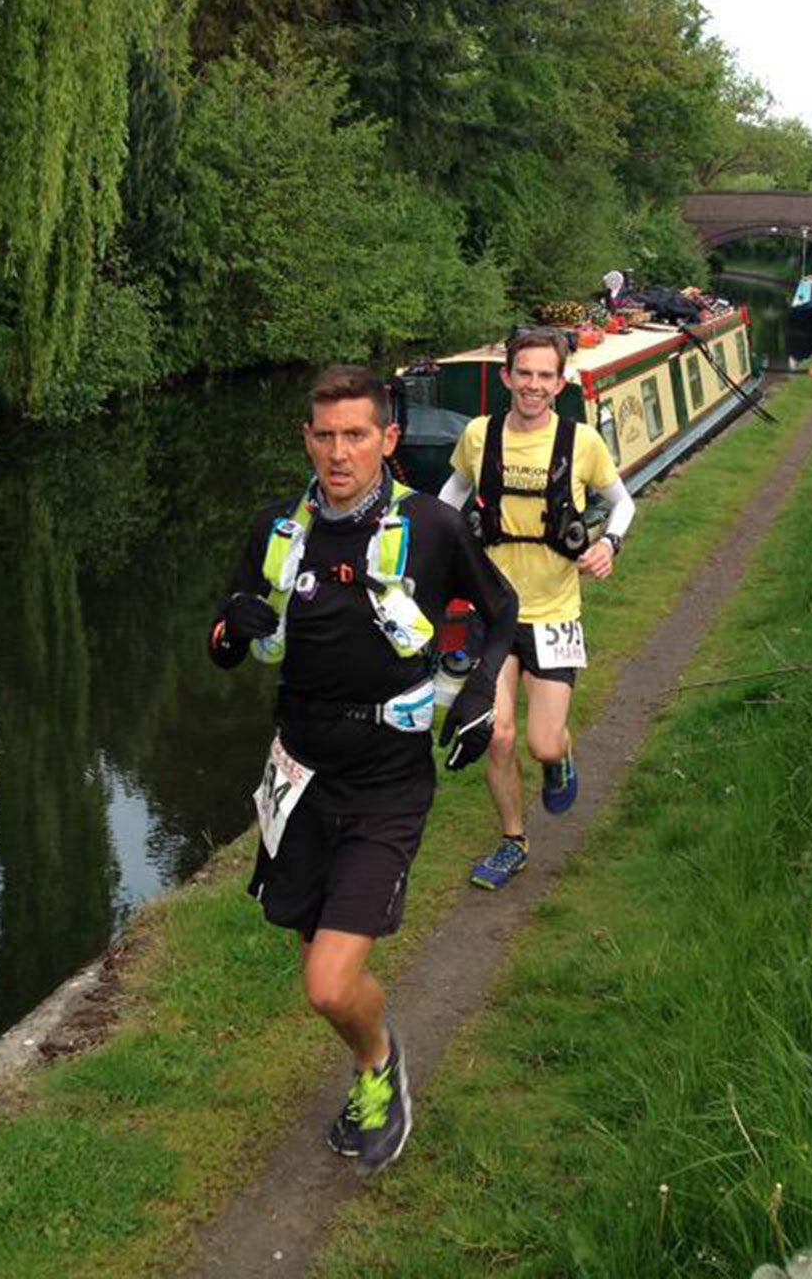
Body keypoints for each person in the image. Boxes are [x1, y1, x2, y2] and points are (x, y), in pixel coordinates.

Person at [209, 364, 517, 1170]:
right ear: (306, 439)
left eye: (355, 435)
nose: (338, 453)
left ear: (386, 439)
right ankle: (366, 1054)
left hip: (386, 781)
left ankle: (381, 1064)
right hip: (298, 775)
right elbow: (228, 639)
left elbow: (502, 610)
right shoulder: (278, 529)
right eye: (324, 435)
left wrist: (482, 688)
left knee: (329, 985)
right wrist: (231, 632)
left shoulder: (430, 527)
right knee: (315, 959)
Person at [439, 327, 634, 891]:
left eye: (545, 375)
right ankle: (512, 841)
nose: (533, 384)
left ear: (560, 382)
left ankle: (560, 756)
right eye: (523, 372)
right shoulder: (479, 436)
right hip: (493, 613)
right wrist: (436, 545)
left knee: (541, 741)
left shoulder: (583, 443)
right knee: (497, 735)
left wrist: (607, 544)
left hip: (554, 615)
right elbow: (451, 496)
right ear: (507, 377)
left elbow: (622, 504)